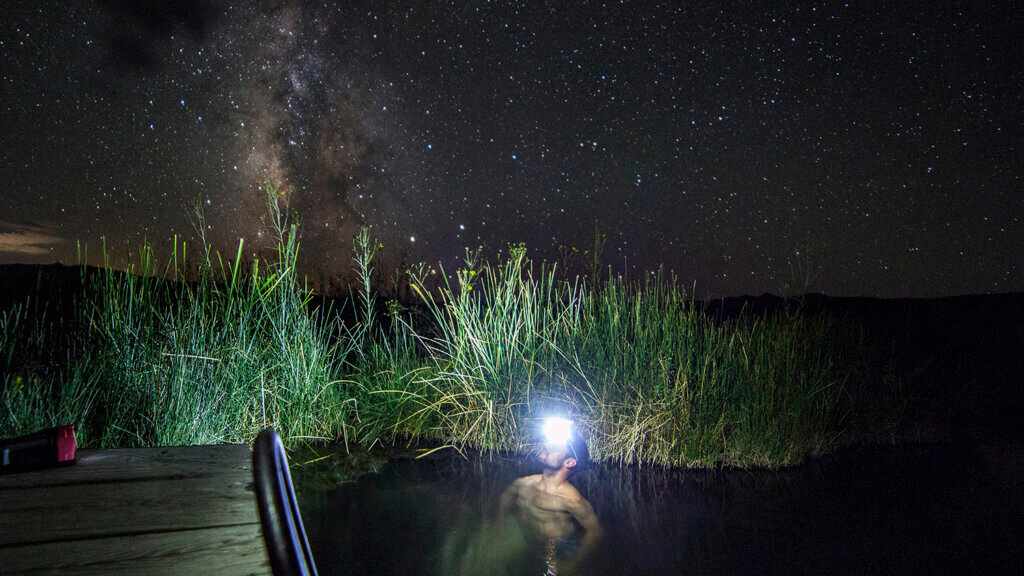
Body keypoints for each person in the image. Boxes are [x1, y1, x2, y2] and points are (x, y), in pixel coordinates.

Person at [500, 434, 602, 575]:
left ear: (570, 462)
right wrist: (500, 526)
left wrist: (572, 563)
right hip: (527, 542)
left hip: (557, 551)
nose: (547, 445)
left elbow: (595, 532)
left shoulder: (572, 500)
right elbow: (506, 497)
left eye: (557, 447)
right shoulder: (523, 484)